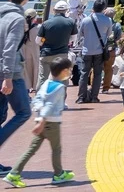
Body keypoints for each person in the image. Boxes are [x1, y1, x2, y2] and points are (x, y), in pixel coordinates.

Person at [3, 55, 75, 187]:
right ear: (64, 71)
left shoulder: (46, 84)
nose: (70, 73)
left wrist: (39, 117)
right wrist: (43, 120)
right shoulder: (59, 87)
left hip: (40, 122)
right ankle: (58, 174)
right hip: (51, 124)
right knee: (56, 149)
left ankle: (14, 173)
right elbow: (50, 105)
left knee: (31, 149)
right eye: (69, 70)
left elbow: (37, 100)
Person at [0, 0, 35, 171]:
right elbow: (9, 49)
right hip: (10, 73)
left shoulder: (2, 14)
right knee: (24, 112)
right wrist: (8, 77)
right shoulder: (16, 19)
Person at [77, 0, 113, 105]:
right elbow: (109, 34)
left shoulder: (86, 20)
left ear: (93, 7)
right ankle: (94, 97)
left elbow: (81, 33)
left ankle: (81, 97)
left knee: (84, 74)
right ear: (104, 9)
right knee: (97, 74)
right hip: (99, 51)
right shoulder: (108, 20)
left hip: (86, 50)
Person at [36, 2, 76, 89]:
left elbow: (38, 40)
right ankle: (61, 96)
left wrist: (44, 40)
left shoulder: (46, 23)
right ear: (66, 10)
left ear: (54, 10)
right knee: (63, 78)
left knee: (43, 78)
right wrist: (65, 40)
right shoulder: (71, 22)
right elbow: (73, 39)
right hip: (62, 54)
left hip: (46, 54)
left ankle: (40, 96)